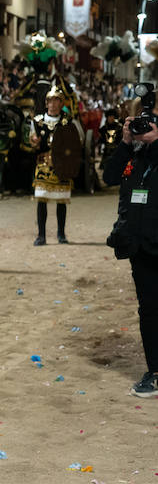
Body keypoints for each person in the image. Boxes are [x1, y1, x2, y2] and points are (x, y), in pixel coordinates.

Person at [102, 91, 158, 397]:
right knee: (149, 309)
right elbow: (109, 175)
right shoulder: (132, 154)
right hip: (138, 244)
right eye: (139, 120)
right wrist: (125, 142)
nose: (144, 126)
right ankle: (154, 370)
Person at [25, 87, 83, 245]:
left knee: (61, 200)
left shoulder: (68, 121)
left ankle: (61, 234)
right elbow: (31, 142)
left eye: (57, 100)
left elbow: (76, 143)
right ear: (46, 103)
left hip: (62, 166)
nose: (53, 104)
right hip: (43, 165)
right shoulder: (37, 121)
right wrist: (34, 143)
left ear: (61, 103)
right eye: (50, 101)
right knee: (41, 200)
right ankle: (41, 235)